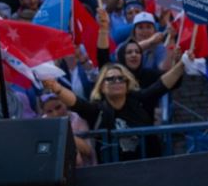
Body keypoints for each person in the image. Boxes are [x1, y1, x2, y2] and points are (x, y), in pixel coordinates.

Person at [42, 57, 185, 162]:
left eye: (120, 78)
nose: (116, 81)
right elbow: (76, 103)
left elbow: (161, 85)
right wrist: (56, 88)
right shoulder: (97, 110)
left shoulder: (140, 100)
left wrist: (183, 62)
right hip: (112, 175)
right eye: (110, 79)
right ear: (101, 86)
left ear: (127, 84)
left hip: (149, 166)